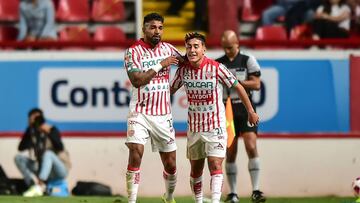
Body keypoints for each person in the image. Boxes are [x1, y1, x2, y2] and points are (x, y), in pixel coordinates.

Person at [170, 32, 259, 203]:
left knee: (215, 165)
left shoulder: (216, 68)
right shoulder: (183, 71)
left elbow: (238, 87)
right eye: (189, 47)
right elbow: (169, 91)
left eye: (196, 46)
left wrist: (251, 111)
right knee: (196, 170)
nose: (192, 50)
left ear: (204, 49)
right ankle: (199, 201)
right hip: (194, 128)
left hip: (215, 126)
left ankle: (216, 200)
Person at [124, 12, 183, 203]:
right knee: (135, 151)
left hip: (162, 114)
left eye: (160, 27)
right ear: (144, 28)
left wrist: (175, 85)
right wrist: (160, 65)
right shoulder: (133, 51)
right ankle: (131, 200)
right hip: (139, 110)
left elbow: (187, 65)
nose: (157, 31)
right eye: (152, 27)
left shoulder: (169, 49)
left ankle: (169, 196)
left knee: (171, 164)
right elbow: (136, 80)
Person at [216, 30, 266, 203]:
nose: (228, 50)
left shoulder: (247, 60)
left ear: (237, 43)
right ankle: (233, 194)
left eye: (230, 47)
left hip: (244, 108)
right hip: (226, 109)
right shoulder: (218, 63)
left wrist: (234, 82)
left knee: (251, 145)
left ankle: (256, 190)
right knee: (230, 151)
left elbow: (257, 84)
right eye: (225, 47)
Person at [14, 108, 71, 197]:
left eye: (38, 118)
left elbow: (60, 147)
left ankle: (40, 185)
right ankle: (33, 186)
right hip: (42, 168)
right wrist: (30, 129)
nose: (37, 121)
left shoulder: (51, 129)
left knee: (48, 153)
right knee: (18, 158)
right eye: (34, 118)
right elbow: (21, 148)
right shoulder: (32, 132)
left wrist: (48, 132)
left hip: (59, 169)